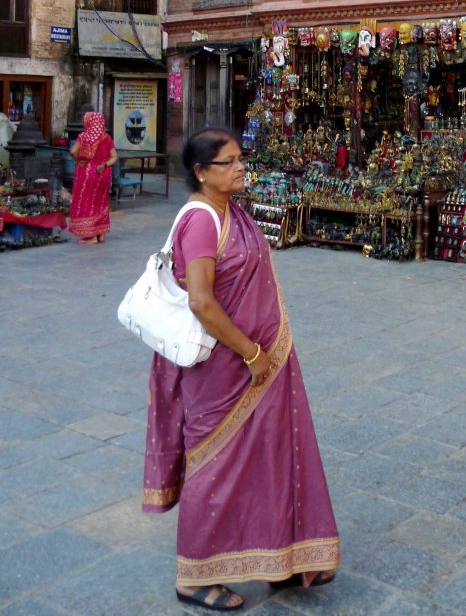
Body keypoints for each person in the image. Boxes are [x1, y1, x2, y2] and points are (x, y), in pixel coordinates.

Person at [142, 127, 340, 612]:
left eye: (240, 158)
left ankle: (281, 557)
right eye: (228, 162)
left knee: (271, 455)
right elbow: (203, 303)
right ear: (201, 173)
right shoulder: (202, 222)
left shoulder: (232, 212)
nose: (240, 167)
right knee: (217, 466)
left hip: (258, 362)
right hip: (225, 368)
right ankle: (195, 575)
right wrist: (252, 355)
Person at [68, 111, 117, 244]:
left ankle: (91, 236)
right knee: (101, 203)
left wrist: (78, 160)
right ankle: (101, 234)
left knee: (87, 204)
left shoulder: (83, 137)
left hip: (87, 174)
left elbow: (73, 151)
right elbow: (114, 157)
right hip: (103, 174)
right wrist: (105, 164)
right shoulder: (106, 138)